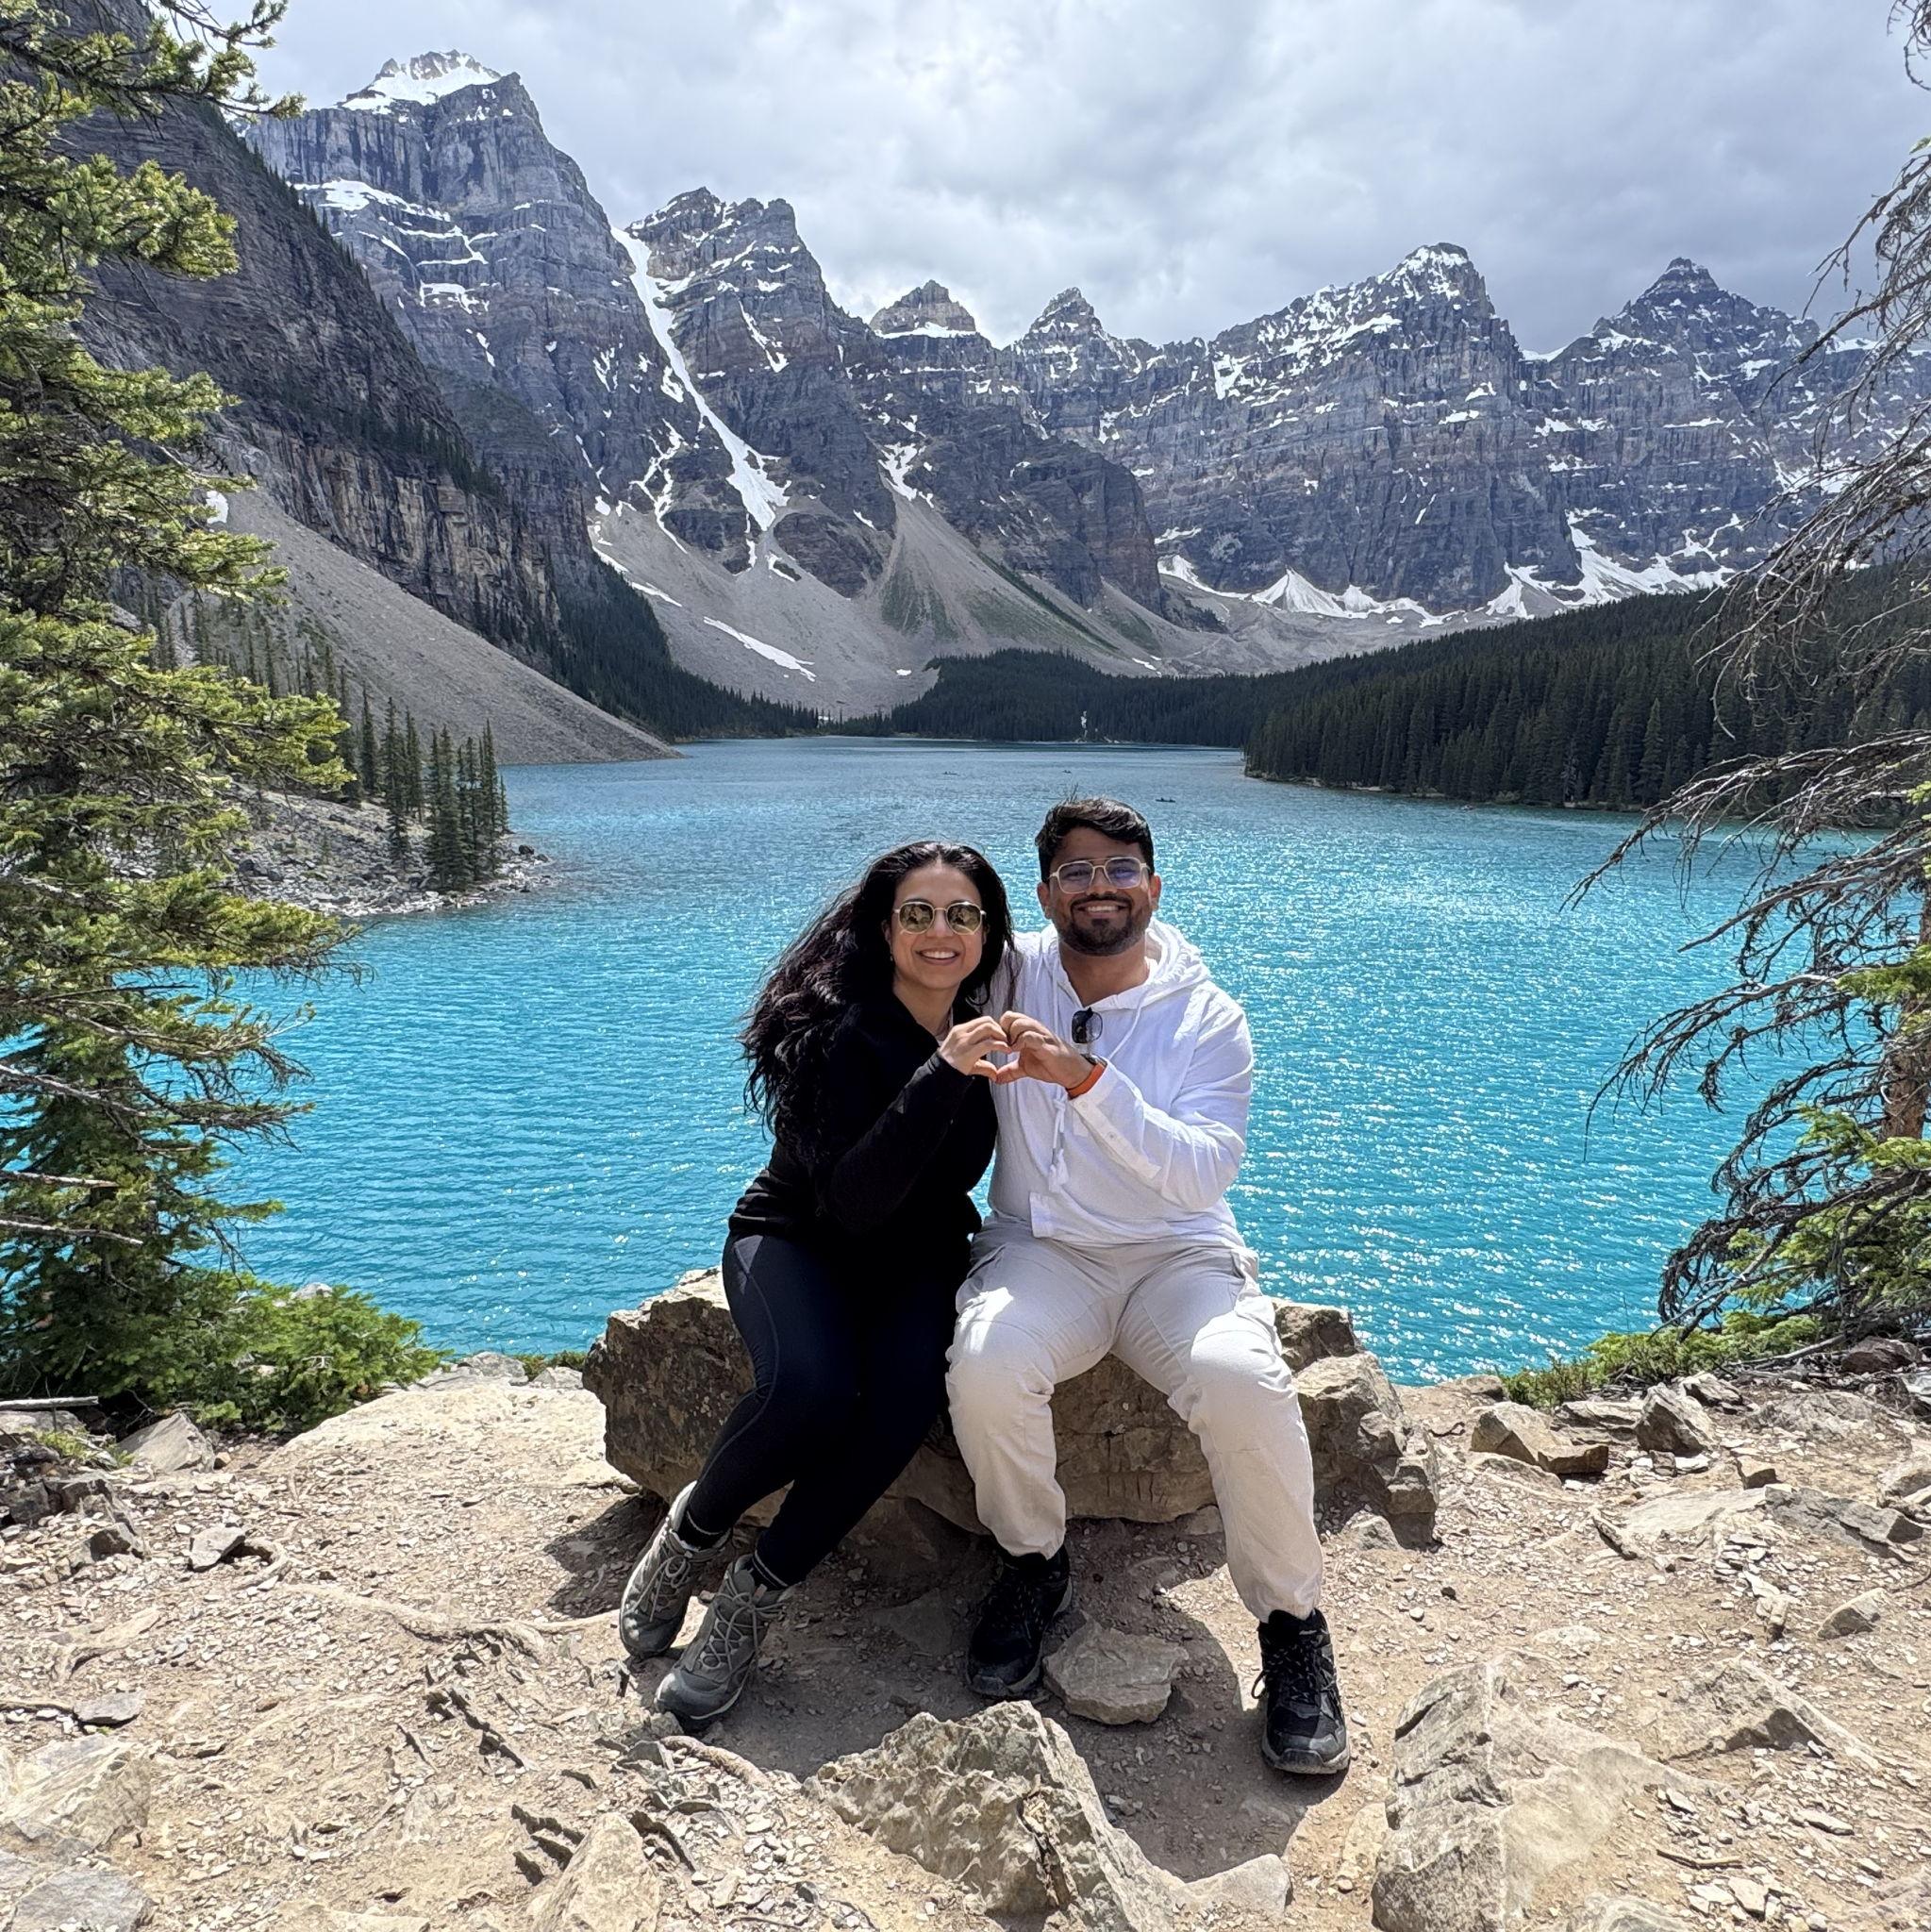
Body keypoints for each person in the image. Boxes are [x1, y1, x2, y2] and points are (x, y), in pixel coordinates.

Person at [944, 796, 1349, 1776]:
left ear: (1153, 887)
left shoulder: (1208, 1016)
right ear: (1044, 893)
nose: (1099, 887)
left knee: (1244, 1380)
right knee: (987, 1362)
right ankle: (1034, 1563)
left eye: (1120, 868)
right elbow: (909, 963)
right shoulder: (1006, 972)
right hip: (1045, 1250)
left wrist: (1089, 1080)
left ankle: (1293, 1624)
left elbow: (1203, 1170)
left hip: (1176, 1255)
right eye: (1076, 871)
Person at [617, 841, 1014, 1725]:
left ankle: (749, 1605)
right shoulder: (833, 1032)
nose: (940, 931)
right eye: (918, 913)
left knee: (899, 1406)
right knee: (811, 1389)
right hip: (796, 1239)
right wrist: (943, 1072)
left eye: (962, 914)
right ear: (883, 927)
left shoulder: (985, 1030)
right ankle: (689, 1538)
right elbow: (853, 1201)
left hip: (916, 1257)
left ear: (988, 933)